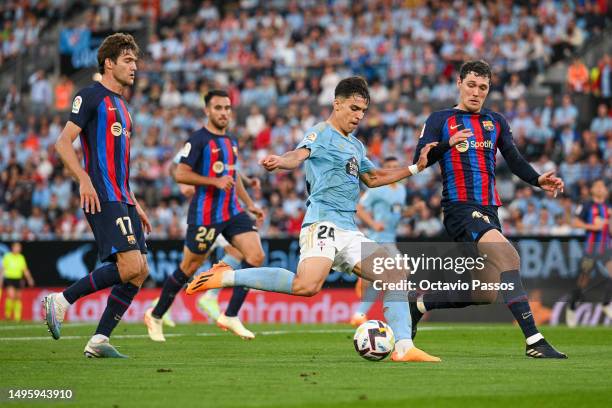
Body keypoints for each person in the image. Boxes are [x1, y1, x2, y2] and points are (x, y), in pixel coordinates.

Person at [186, 77, 441, 362]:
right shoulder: (321, 133)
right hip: (322, 224)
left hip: (348, 229)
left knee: (394, 274)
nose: (358, 116)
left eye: (363, 111)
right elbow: (299, 155)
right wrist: (281, 161)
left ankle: (404, 347)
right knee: (306, 286)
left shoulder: (355, 146)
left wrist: (416, 168)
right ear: (337, 103)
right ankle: (226, 275)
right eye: (354, 108)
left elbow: (373, 177)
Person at [412, 60, 567, 359]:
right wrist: (447, 144)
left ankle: (416, 304)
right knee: (509, 256)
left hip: (489, 210)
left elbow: (514, 157)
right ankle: (534, 340)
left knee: (484, 293)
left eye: (483, 87)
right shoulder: (439, 119)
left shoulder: (495, 121)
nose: (476, 92)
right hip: (460, 208)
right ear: (459, 83)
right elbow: (420, 161)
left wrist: (537, 179)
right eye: (471, 85)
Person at [43, 33, 150, 358]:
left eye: (135, 60)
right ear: (109, 62)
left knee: (140, 270)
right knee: (130, 265)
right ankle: (61, 300)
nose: (135, 67)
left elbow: (119, 164)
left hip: (123, 197)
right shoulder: (90, 96)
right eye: (128, 60)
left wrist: (136, 202)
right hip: (101, 194)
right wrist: (84, 180)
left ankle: (99, 340)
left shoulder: (123, 107)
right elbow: (63, 143)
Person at [144, 90, 265, 342]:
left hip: (232, 211)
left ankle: (230, 315)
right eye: (218, 108)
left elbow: (232, 175)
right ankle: (155, 315)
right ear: (207, 111)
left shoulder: (231, 141)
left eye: (227, 108)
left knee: (255, 255)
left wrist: (250, 204)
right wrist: (213, 181)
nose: (224, 113)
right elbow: (180, 174)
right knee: (188, 267)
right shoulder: (198, 140)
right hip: (205, 215)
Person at [350, 156, 406, 326]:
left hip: (391, 239)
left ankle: (359, 315)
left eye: (396, 166)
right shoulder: (377, 188)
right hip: (378, 239)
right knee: (403, 270)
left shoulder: (401, 190)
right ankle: (400, 316)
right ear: (384, 169)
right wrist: (373, 223)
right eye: (389, 166)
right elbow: (358, 207)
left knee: (381, 280)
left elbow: (397, 212)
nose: (393, 169)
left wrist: (413, 211)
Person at [566, 179, 611, 327]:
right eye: (596, 186)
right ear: (592, 190)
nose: (599, 188)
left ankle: (606, 303)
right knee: (583, 280)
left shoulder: (608, 207)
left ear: (605, 190)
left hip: (606, 248)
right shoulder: (586, 205)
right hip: (591, 249)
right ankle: (572, 307)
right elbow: (575, 222)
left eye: (602, 186)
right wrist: (593, 226)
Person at [2, 242, 35, 321]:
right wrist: (1, 279)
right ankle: (7, 315)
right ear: (12, 248)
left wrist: (30, 279)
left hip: (18, 279)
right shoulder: (7, 256)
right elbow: (3, 269)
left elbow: (25, 270)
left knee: (18, 298)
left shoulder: (21, 257)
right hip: (9, 279)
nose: (18, 249)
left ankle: (17, 318)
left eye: (19, 247)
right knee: (11, 296)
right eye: (16, 247)